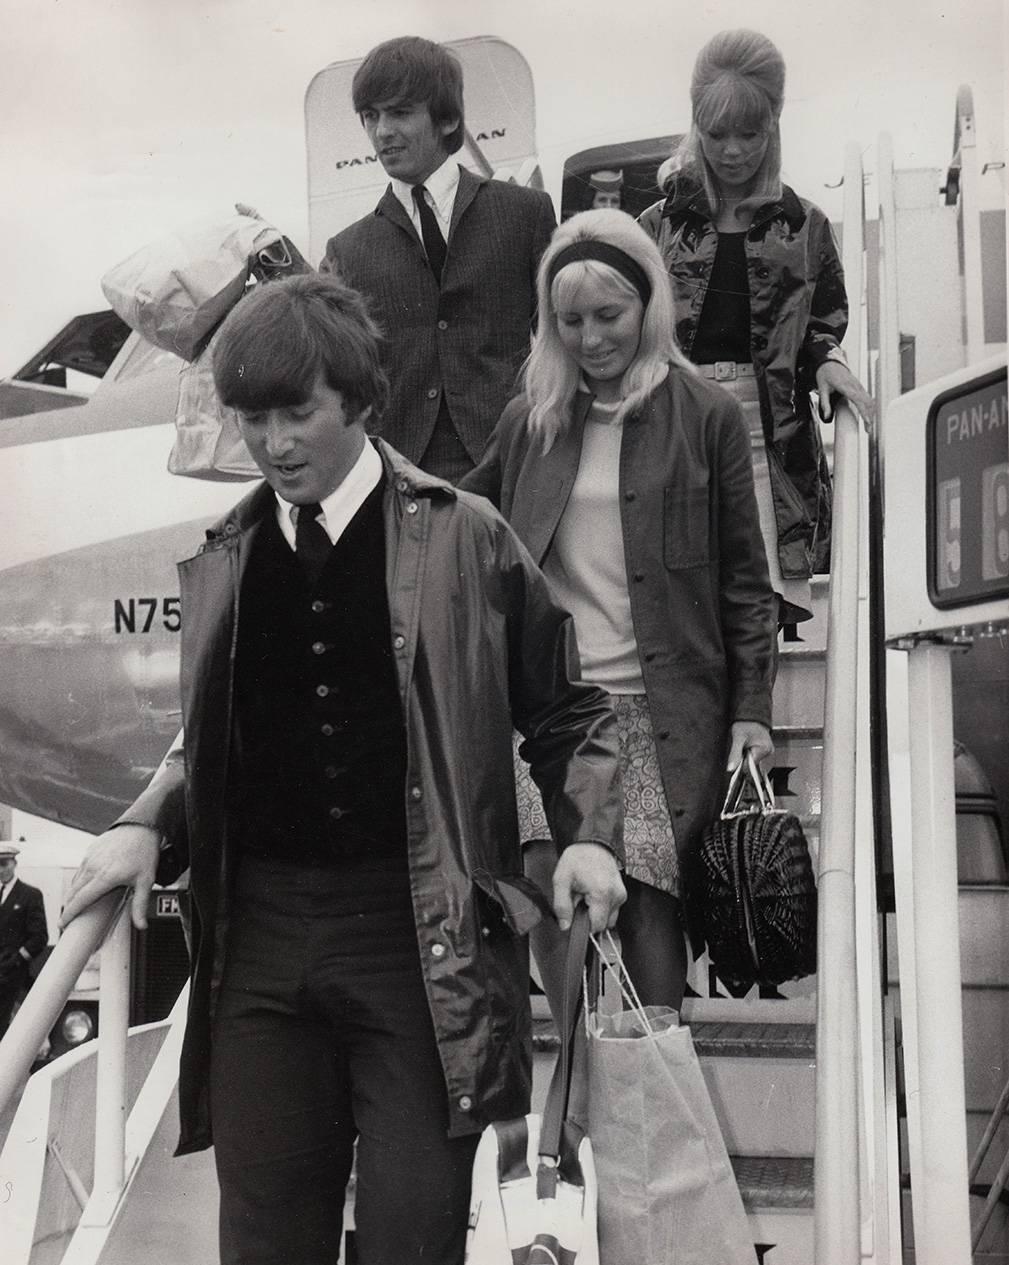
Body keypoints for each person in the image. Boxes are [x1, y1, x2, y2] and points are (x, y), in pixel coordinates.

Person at [59, 272, 624, 1265]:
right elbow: (214, 739)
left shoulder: (466, 536)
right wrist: (148, 816)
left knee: (412, 1240)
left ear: (359, 403)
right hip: (262, 953)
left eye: (295, 414)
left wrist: (588, 837)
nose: (272, 444)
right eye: (251, 419)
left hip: (422, 943)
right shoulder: (225, 554)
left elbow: (571, 709)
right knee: (266, 1241)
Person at [461, 209, 776, 1012]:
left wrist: (752, 711)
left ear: (647, 306)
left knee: (646, 905)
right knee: (545, 873)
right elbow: (458, 524)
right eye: (569, 322)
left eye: (609, 316)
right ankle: (570, 1105)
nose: (590, 337)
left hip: (663, 712)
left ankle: (648, 1099)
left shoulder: (704, 414)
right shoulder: (528, 421)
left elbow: (745, 578)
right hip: (555, 712)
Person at [639, 28, 874, 625]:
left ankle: (754, 721)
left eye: (750, 132)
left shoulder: (806, 226)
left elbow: (822, 321)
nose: (733, 150)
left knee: (758, 604)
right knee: (684, 606)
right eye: (717, 134)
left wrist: (829, 361)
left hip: (766, 430)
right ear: (696, 125)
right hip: (677, 426)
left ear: (775, 121)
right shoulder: (655, 227)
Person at [320, 35, 557, 482]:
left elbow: (559, 343)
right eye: (370, 116)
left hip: (519, 463)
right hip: (404, 480)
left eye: (399, 112)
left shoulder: (525, 213)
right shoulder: (347, 250)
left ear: (447, 119)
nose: (382, 131)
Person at [0, 843, 48, 1039]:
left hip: (14, 975)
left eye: (4, 863)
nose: (1, 869)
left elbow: (40, 937)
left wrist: (17, 959)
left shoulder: (29, 895)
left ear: (14, 863)